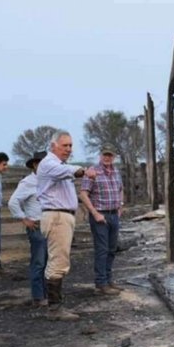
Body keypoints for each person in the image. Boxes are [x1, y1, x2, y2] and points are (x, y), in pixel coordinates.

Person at [36, 130, 96, 321]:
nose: (68, 149)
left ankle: (54, 305)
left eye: (70, 146)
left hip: (62, 216)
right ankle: (54, 309)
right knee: (58, 263)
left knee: (58, 261)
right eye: (65, 145)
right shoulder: (49, 164)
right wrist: (84, 171)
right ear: (53, 146)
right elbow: (68, 171)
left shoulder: (58, 164)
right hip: (57, 217)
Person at [79, 145, 124, 296]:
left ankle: (109, 279)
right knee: (102, 249)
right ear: (100, 155)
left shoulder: (116, 171)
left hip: (114, 214)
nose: (107, 158)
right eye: (105, 155)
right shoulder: (93, 171)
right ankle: (101, 282)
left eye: (110, 155)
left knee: (112, 249)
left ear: (114, 157)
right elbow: (83, 194)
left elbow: (120, 189)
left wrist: (120, 206)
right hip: (100, 215)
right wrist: (94, 213)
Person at [8, 151, 48, 307]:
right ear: (34, 165)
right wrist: (24, 219)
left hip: (50, 223)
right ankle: (38, 296)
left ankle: (46, 293)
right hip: (37, 225)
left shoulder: (49, 181)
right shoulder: (28, 182)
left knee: (48, 261)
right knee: (39, 261)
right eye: (40, 163)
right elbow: (13, 202)